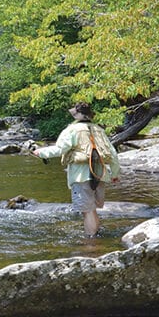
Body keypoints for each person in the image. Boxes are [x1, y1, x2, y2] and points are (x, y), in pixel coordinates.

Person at [32, 102, 120, 238]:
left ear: (78, 115)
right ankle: (96, 238)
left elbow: (60, 149)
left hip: (81, 176)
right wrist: (114, 174)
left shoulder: (71, 130)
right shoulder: (99, 130)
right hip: (100, 174)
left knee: (87, 211)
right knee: (92, 209)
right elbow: (113, 154)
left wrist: (41, 152)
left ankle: (91, 244)